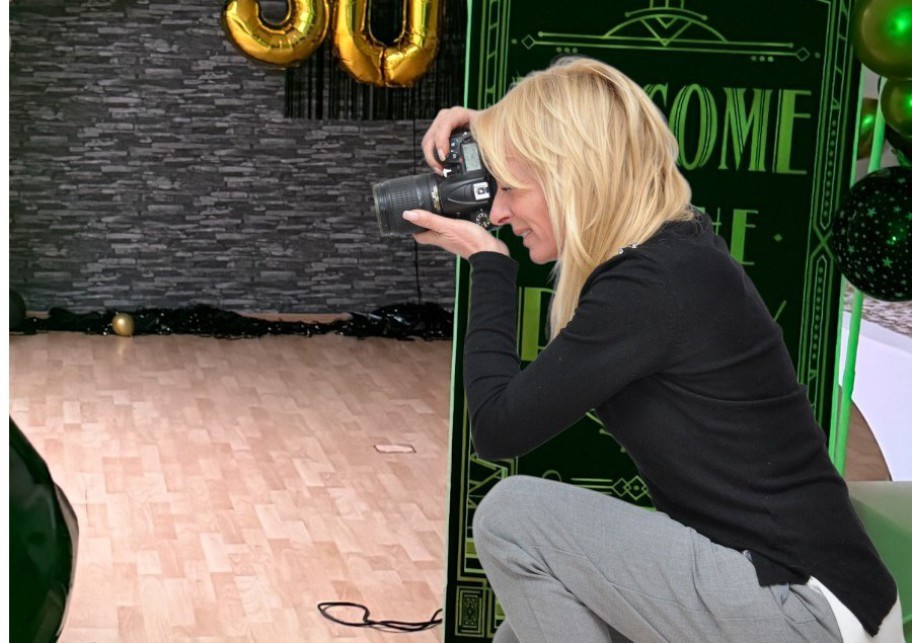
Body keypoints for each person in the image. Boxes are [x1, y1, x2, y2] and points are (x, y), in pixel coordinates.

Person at [403, 57, 902, 642]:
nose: (497, 212)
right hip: (782, 592)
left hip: (804, 609)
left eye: (511, 188)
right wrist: (497, 130)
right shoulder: (676, 254)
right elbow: (595, 136)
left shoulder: (653, 286)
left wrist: (489, 265)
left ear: (572, 177)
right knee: (519, 635)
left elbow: (497, 428)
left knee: (511, 516)